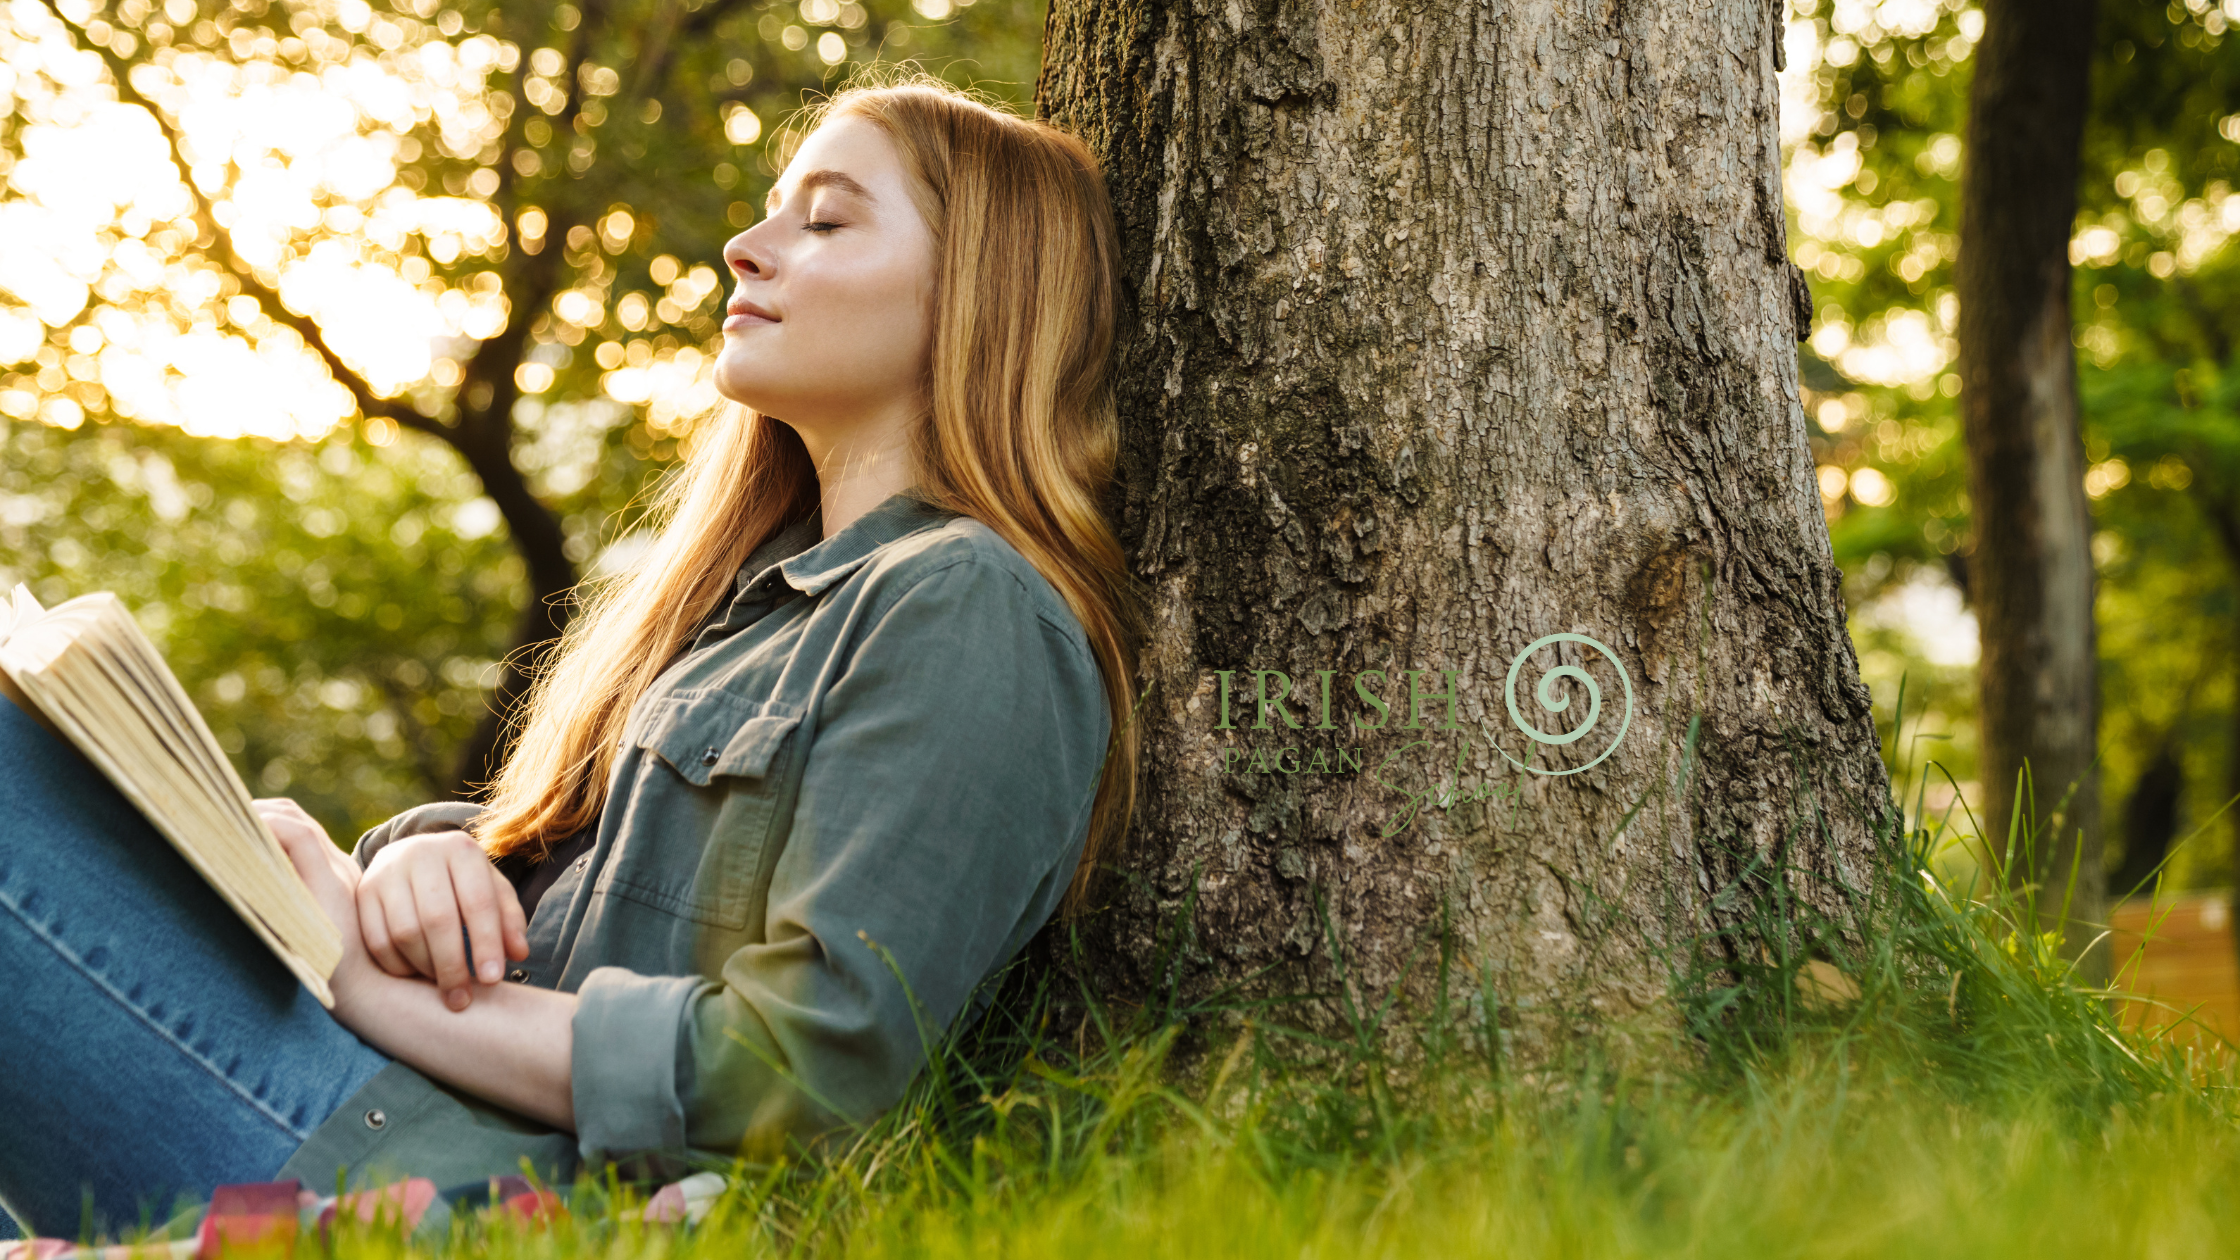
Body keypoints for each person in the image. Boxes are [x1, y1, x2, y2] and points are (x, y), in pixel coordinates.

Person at [0, 74, 1145, 1240]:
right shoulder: (736, 603)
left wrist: (362, 979)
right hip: (391, 1104)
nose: (746, 250)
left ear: (977, 294)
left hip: (457, 1174)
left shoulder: (964, 608)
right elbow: (589, 886)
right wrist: (428, 867)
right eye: (767, 211)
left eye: (826, 219)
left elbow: (806, 1073)